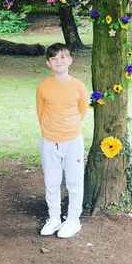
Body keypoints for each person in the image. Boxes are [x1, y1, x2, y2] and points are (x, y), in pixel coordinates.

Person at [35, 43, 89, 238]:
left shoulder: (78, 86)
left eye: (63, 57)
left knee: (74, 182)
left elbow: (82, 110)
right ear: (48, 63)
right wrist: (51, 131)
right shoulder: (43, 86)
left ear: (70, 60)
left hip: (72, 140)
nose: (59, 61)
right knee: (51, 181)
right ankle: (54, 218)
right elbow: (40, 112)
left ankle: (73, 220)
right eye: (54, 59)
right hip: (49, 141)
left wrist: (68, 129)